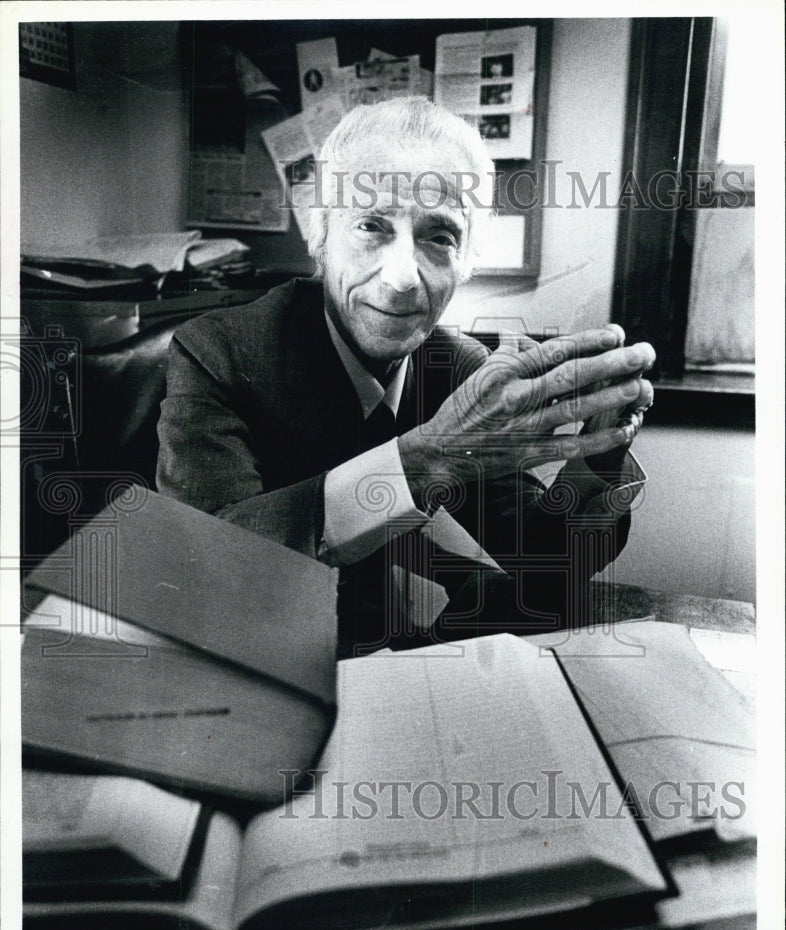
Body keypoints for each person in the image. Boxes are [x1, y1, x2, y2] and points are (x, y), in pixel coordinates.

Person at [157, 97, 654, 656]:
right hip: (261, 662)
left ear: (468, 260)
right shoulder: (219, 353)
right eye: (371, 226)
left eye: (439, 237)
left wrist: (599, 449)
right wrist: (429, 457)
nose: (401, 279)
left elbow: (546, 566)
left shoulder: (458, 367)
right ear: (320, 235)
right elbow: (206, 565)